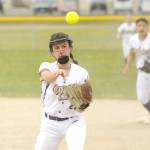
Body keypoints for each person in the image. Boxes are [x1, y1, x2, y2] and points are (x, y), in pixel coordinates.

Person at [34, 32, 92, 150]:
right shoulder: (46, 67)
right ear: (52, 52)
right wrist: (57, 73)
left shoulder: (81, 73)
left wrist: (82, 105)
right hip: (50, 124)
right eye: (56, 48)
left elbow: (87, 98)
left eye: (64, 46)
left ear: (70, 48)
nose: (61, 50)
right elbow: (47, 77)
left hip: (74, 122)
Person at [122, 17, 150, 124]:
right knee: (142, 98)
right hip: (142, 72)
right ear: (136, 27)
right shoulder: (133, 39)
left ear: (147, 27)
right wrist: (127, 66)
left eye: (143, 25)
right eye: (139, 25)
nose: (141, 27)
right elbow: (131, 53)